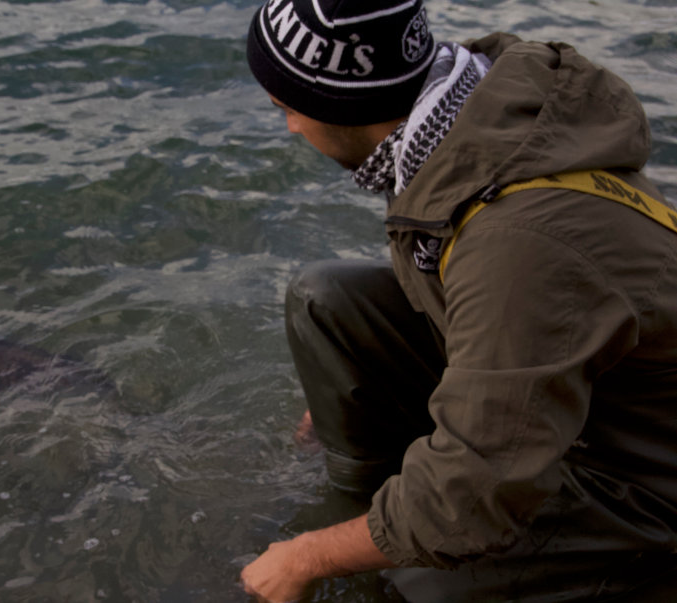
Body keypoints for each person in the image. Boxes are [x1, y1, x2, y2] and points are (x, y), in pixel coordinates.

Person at [240, 0, 677, 601]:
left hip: (641, 473)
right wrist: (341, 391)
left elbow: (474, 493)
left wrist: (309, 556)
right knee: (329, 302)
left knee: (414, 582)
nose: (289, 126)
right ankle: (366, 501)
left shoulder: (517, 238)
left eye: (286, 107)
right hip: (574, 385)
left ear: (343, 102)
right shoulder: (461, 113)